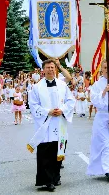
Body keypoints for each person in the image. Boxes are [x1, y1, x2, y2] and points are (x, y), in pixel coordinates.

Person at [28, 59, 75, 192]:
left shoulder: (62, 85)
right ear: (43, 70)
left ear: (56, 69)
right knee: (45, 153)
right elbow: (33, 105)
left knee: (58, 151)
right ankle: (46, 181)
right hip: (45, 125)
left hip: (60, 123)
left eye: (52, 67)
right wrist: (47, 111)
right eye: (47, 67)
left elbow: (71, 100)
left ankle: (55, 177)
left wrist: (63, 110)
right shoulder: (36, 87)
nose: (50, 69)